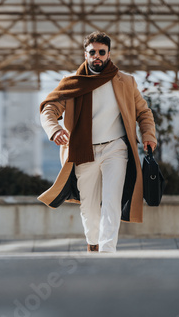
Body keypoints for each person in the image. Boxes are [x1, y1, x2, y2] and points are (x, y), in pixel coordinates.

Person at [38, 31, 157, 253]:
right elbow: (49, 109)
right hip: (84, 151)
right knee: (89, 208)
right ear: (85, 55)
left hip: (116, 149)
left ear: (109, 54)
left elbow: (144, 112)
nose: (97, 56)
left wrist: (148, 134)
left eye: (102, 52)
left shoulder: (126, 82)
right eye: (92, 52)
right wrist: (54, 130)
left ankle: (107, 252)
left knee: (111, 202)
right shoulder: (72, 83)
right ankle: (93, 243)